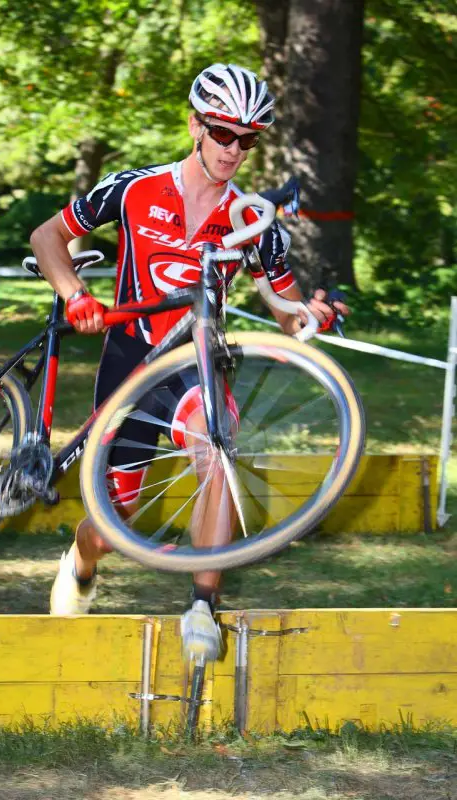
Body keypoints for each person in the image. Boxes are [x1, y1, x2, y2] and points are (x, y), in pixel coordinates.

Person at [30, 63, 348, 661]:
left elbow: (283, 307)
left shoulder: (253, 219)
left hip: (199, 360)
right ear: (196, 126)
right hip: (130, 358)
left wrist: (312, 313)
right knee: (111, 522)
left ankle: (203, 604)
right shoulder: (134, 188)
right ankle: (82, 558)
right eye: (224, 133)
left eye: (249, 140)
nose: (235, 150)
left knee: (218, 453)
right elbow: (47, 237)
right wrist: (76, 295)